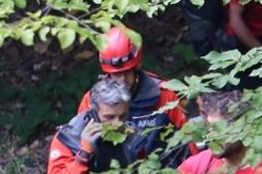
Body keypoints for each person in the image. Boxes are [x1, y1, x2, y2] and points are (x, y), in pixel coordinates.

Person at [77, 26, 189, 158]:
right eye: (116, 74)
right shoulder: (91, 100)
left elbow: (188, 143)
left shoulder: (164, 96)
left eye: (127, 72)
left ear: (136, 67)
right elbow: (77, 145)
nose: (122, 79)